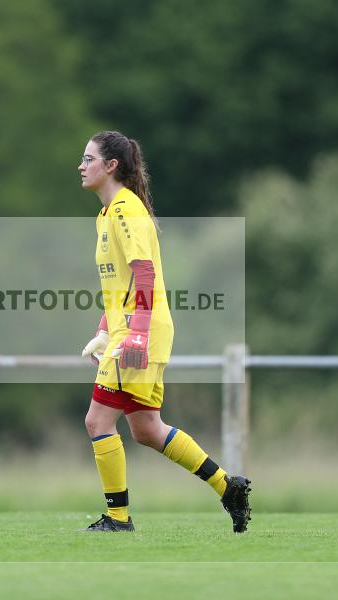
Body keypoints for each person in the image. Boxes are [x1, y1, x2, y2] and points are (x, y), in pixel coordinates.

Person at [77, 130, 251, 533]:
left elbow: (144, 273)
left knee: (97, 421)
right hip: (134, 332)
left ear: (111, 166)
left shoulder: (125, 211)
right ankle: (228, 486)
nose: (81, 167)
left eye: (88, 159)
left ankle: (118, 519)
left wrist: (134, 334)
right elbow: (119, 284)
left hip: (140, 334)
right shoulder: (106, 216)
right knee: (147, 429)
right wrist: (105, 329)